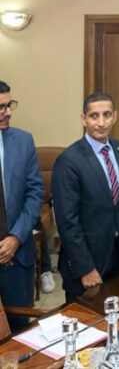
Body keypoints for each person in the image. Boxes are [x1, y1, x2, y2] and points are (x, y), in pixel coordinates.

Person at [53, 93, 119, 302]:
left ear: (115, 117)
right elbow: (67, 221)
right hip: (88, 260)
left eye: (107, 115)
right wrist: (85, 268)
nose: (101, 123)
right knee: (87, 318)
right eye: (94, 116)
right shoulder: (69, 160)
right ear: (83, 119)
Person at [0, 81, 43, 331]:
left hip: (17, 260)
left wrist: (16, 237)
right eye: (1, 107)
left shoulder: (23, 141)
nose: (8, 112)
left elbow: (35, 193)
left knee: (19, 333)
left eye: (10, 105)